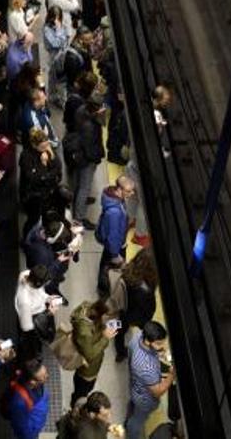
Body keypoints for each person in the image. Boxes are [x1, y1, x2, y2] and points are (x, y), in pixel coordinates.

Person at [125, 322, 175, 439]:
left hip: (135, 387)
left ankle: (130, 415)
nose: (163, 345)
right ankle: (131, 434)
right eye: (159, 343)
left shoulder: (137, 337)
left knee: (134, 406)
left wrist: (158, 351)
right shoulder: (147, 367)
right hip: (145, 400)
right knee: (137, 420)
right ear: (148, 341)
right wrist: (172, 375)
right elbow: (157, 391)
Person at [112, 248, 160, 362]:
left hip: (124, 309)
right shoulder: (145, 290)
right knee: (148, 332)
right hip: (137, 316)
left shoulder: (128, 270)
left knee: (120, 330)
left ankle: (120, 353)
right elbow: (148, 311)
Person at [69, 300, 119, 405]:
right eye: (109, 317)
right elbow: (90, 355)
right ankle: (75, 408)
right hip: (86, 371)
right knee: (81, 392)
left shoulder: (89, 308)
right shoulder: (84, 332)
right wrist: (105, 338)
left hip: (91, 366)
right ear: (102, 314)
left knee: (84, 389)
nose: (112, 320)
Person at [67, 100, 105, 229]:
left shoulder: (81, 111)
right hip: (86, 160)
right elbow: (89, 149)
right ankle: (80, 218)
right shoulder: (90, 126)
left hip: (79, 157)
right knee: (84, 187)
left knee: (79, 184)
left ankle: (79, 202)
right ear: (96, 110)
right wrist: (97, 158)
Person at [96, 175, 134, 296]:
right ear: (119, 189)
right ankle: (105, 290)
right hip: (115, 247)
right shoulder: (114, 213)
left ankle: (102, 287)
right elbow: (112, 236)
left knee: (105, 264)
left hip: (116, 244)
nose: (132, 193)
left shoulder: (114, 197)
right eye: (128, 191)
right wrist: (115, 255)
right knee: (108, 267)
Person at [14, 265, 59, 360]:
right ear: (38, 283)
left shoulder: (25, 274)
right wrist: (49, 314)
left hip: (33, 314)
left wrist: (47, 298)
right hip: (29, 321)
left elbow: (39, 292)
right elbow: (27, 328)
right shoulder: (25, 301)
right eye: (45, 283)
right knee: (30, 346)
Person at [4, 358, 50, 439]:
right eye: (44, 376)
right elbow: (23, 429)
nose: (47, 376)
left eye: (46, 372)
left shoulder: (36, 383)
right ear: (32, 382)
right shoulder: (19, 403)